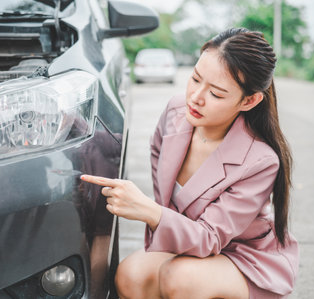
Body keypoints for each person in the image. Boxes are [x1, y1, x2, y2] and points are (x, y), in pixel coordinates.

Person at [80, 28, 299, 299]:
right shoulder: (175, 113)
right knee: (130, 274)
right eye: (195, 78)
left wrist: (150, 212)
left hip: (243, 258)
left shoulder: (260, 160)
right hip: (188, 245)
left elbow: (209, 236)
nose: (196, 97)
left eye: (216, 94)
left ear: (249, 100)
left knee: (181, 278)